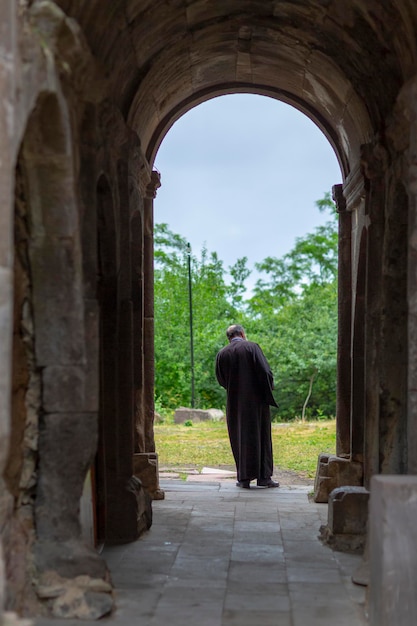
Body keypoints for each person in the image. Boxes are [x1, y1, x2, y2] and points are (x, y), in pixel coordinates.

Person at [215, 324, 279, 489]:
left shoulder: (222, 353)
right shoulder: (252, 347)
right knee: (261, 437)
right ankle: (264, 477)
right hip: (256, 402)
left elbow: (221, 379)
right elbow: (265, 372)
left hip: (235, 403)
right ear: (242, 334)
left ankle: (243, 478)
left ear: (229, 337)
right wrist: (268, 389)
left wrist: (234, 389)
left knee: (239, 437)